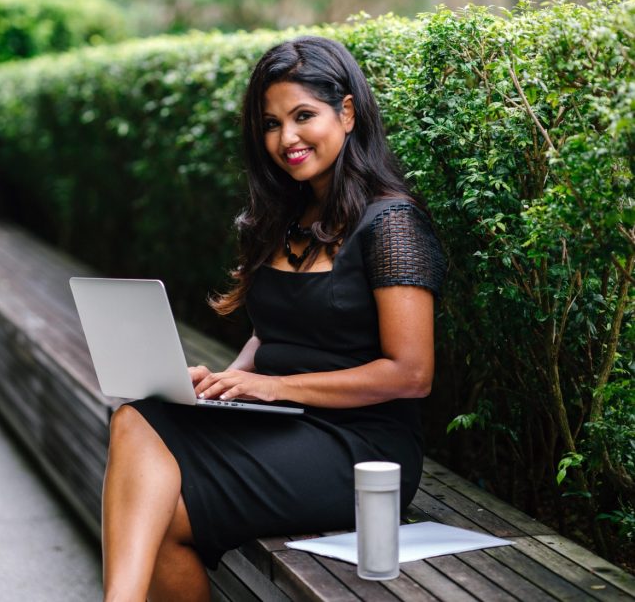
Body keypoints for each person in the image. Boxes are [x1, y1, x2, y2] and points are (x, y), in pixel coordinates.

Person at [101, 36, 445, 602]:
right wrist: (224, 385)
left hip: (360, 451)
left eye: (303, 115)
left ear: (348, 112)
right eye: (270, 123)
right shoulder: (286, 217)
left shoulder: (393, 224)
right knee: (136, 418)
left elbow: (411, 374)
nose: (286, 138)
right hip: (279, 423)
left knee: (156, 509)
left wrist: (270, 386)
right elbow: (273, 331)